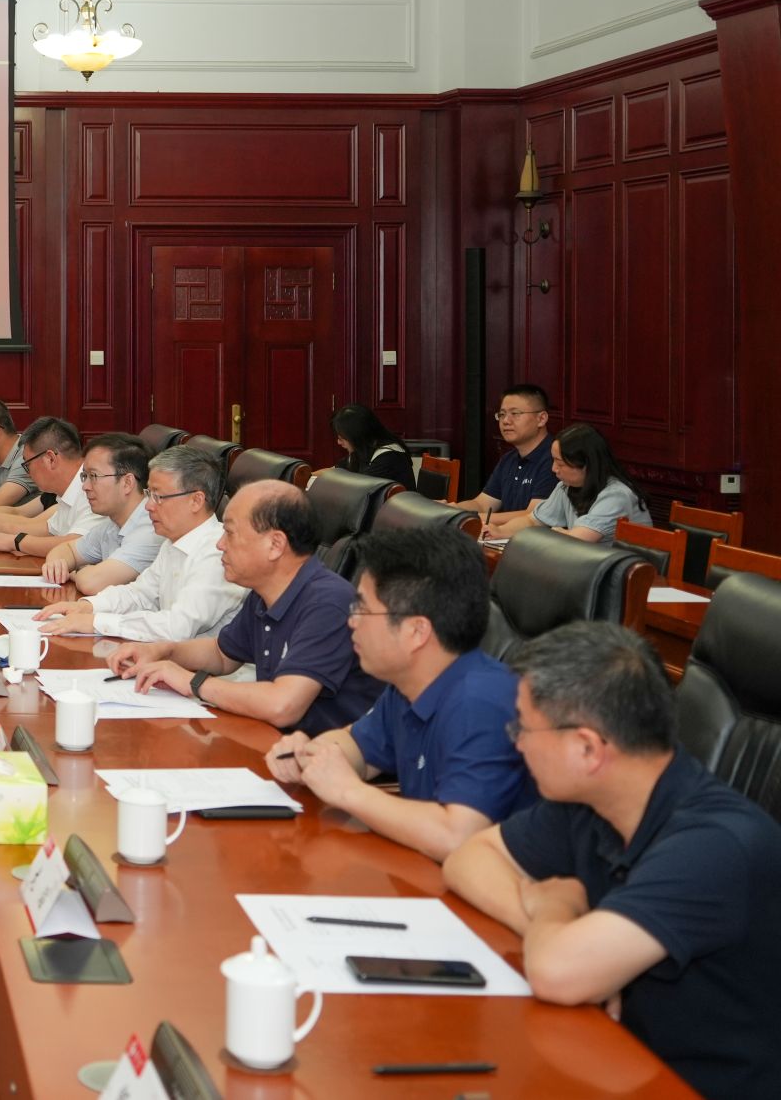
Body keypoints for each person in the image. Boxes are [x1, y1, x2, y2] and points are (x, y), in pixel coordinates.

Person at [443, 624, 781, 1097]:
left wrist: (557, 908)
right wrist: (558, 931)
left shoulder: (716, 847)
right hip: (608, 1056)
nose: (515, 742)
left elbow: (557, 974)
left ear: (588, 748)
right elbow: (468, 858)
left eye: (522, 727)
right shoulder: (591, 801)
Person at [267, 528, 533, 859]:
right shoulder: (409, 685)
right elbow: (355, 746)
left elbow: (458, 835)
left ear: (416, 631)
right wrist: (310, 754)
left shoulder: (482, 701)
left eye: (362, 609)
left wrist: (348, 791)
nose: (351, 622)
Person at [110, 482, 382, 733]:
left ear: (275, 545)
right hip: (274, 742)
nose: (220, 544)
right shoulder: (266, 592)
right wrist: (163, 651)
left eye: (229, 533)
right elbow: (222, 654)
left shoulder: (328, 603)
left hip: (327, 757)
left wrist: (193, 683)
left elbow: (283, 705)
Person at [35, 446, 246, 643]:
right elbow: (140, 594)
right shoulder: (173, 542)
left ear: (196, 501)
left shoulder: (218, 553)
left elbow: (177, 627)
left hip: (200, 668)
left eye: (158, 496)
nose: (149, 506)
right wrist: (87, 607)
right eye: (148, 494)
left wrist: (96, 622)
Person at [486, 422, 650, 543]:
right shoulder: (566, 487)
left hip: (627, 575)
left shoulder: (616, 495)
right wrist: (500, 531)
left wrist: (555, 533)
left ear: (586, 465)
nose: (554, 469)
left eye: (560, 463)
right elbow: (532, 520)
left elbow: (577, 540)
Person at [0, 418, 104, 558]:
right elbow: (48, 529)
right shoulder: (69, 488)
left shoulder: (95, 486)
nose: (27, 473)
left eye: (27, 464)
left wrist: (14, 542)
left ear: (50, 459)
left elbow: (76, 544)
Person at [40, 434, 161, 592]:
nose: (85, 487)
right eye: (85, 476)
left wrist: (78, 572)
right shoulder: (112, 524)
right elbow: (67, 549)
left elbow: (91, 583)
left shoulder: (151, 528)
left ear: (127, 482)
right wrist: (56, 564)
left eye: (93, 476)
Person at [454, 384, 558, 517]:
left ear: (541, 419)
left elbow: (533, 517)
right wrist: (450, 509)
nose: (506, 421)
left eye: (515, 413)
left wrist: (475, 518)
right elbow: (482, 504)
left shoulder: (555, 459)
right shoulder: (509, 459)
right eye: (502, 414)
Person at [330, 403, 414, 487]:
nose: (338, 442)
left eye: (342, 438)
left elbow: (359, 488)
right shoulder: (362, 450)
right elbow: (333, 472)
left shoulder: (388, 457)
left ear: (357, 436)